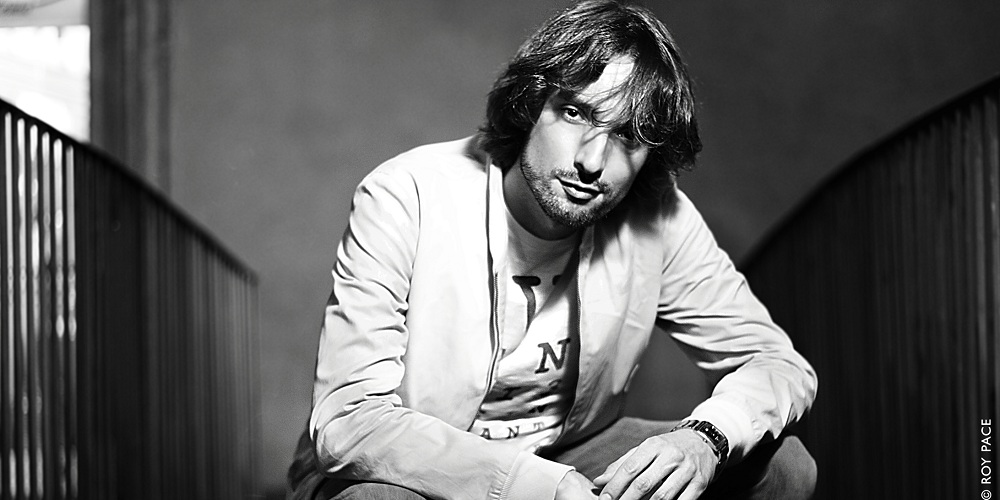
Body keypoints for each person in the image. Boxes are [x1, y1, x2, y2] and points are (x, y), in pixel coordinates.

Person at [288, 1, 818, 499]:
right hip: (421, 461)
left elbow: (775, 362)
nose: (592, 161)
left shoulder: (659, 216)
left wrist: (706, 438)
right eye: (575, 113)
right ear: (529, 106)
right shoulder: (407, 195)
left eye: (628, 136)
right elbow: (349, 420)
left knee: (784, 465)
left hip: (570, 450)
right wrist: (541, 487)